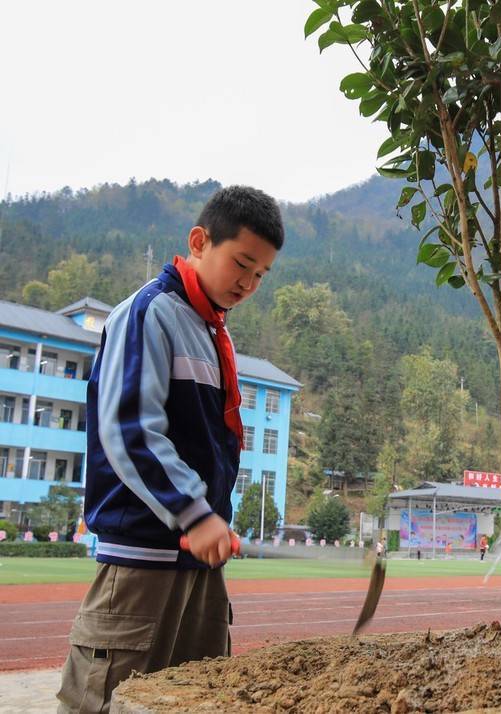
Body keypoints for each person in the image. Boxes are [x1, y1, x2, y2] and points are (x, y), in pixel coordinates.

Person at [57, 186, 284, 713]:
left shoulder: (209, 329)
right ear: (200, 241)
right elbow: (129, 428)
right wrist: (194, 513)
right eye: (242, 264)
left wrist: (211, 519)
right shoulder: (150, 312)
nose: (248, 284)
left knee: (198, 702)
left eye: (260, 275)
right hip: (142, 565)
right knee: (106, 703)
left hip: (198, 566)